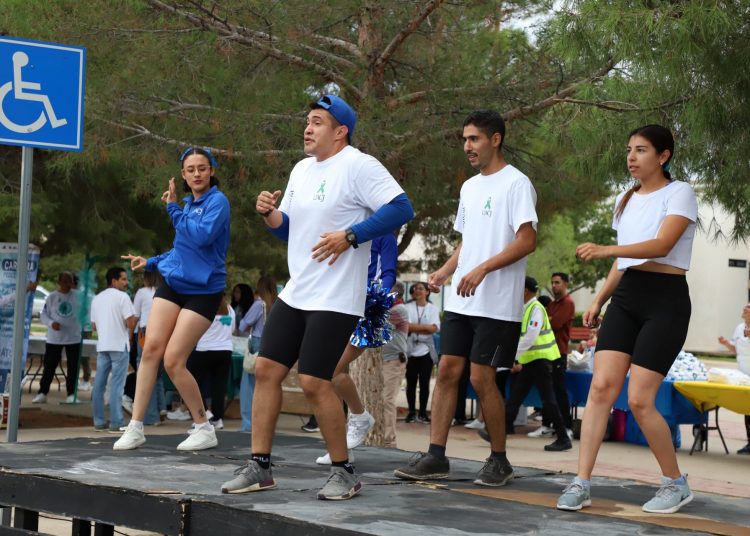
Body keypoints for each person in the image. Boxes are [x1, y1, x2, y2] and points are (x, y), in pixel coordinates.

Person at [220, 94, 413, 500]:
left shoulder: (359, 165)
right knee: (266, 370)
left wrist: (352, 235)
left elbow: (401, 208)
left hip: (336, 296)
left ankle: (344, 472)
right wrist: (269, 213)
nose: (307, 128)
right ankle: (260, 466)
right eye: (307, 121)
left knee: (313, 380)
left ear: (340, 131)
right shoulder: (302, 169)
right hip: (298, 291)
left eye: (318, 122)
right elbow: (288, 229)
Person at [556, 125, 698, 514]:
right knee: (600, 388)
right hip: (626, 297)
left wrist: (605, 249)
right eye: (629, 150)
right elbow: (623, 261)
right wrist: (599, 298)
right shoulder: (626, 199)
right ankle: (581, 482)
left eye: (641, 150)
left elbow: (661, 245)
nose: (631, 157)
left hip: (666, 300)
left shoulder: (680, 192)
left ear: (663, 156)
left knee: (639, 399)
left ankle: (675, 483)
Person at [394, 110, 537, 487]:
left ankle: (499, 460)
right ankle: (436, 456)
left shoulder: (517, 184)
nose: (467, 146)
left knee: (481, 377)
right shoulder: (470, 188)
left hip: (497, 305)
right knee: (447, 372)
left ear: (495, 139)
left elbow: (527, 241)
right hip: (460, 301)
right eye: (464, 140)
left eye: (474, 139)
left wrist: (483, 269)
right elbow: (468, 242)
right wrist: (446, 270)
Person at [115, 146, 230, 452]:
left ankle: (204, 427)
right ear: (183, 175)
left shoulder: (218, 202)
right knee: (151, 349)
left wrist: (173, 208)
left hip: (204, 290)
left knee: (174, 360)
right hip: (175, 284)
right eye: (191, 170)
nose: (197, 174)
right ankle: (136, 427)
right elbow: (181, 249)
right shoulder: (188, 206)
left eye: (202, 168)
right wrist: (151, 262)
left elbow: (202, 237)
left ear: (211, 171)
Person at [315, 233, 398, 464]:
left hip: (365, 309)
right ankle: (342, 447)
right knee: (326, 376)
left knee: (330, 372)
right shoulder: (345, 232)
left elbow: (388, 273)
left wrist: (376, 300)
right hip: (340, 304)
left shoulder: (385, 236)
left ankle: (359, 417)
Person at [492, 277, 571, 451]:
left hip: (541, 360)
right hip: (531, 360)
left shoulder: (535, 308)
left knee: (548, 400)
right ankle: (500, 432)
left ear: (525, 290)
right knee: (515, 397)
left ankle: (563, 438)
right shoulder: (527, 308)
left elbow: (530, 337)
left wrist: (511, 356)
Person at [90, 267, 137, 432]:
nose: (126, 282)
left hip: (103, 346)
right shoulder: (123, 297)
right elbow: (131, 322)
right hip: (119, 345)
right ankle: (116, 422)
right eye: (123, 279)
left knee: (99, 385)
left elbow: (94, 325)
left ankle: (98, 421)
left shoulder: (97, 298)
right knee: (117, 385)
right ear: (114, 281)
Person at [535, 272, 575, 438]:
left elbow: (555, 324)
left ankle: (567, 426)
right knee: (547, 390)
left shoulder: (568, 303)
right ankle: (546, 424)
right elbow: (544, 322)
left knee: (559, 390)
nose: (554, 285)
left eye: (557, 282)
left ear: (565, 284)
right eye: (552, 282)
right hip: (547, 352)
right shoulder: (552, 304)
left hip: (559, 352)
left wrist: (548, 320)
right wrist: (548, 320)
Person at [33, 271, 81, 404]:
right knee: (49, 366)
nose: (68, 284)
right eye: (65, 281)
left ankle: (71, 394)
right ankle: (42, 393)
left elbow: (88, 308)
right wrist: (51, 323)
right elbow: (43, 314)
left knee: (73, 367)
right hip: (54, 338)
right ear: (59, 282)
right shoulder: (52, 297)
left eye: (70, 281)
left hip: (73, 337)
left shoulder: (78, 296)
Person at [238, 275, 278, 433]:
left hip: (257, 343)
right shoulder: (278, 304)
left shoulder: (258, 305)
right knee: (268, 386)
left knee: (248, 387)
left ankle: (248, 424)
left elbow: (243, 325)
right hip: (273, 343)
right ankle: (266, 423)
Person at [187, 296, 234, 429]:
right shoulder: (230, 309)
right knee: (219, 386)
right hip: (225, 349)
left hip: (205, 348)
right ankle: (218, 418)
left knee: (192, 382)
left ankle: (204, 412)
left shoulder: (205, 307)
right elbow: (232, 329)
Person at [404, 282, 440, 423]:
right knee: (411, 383)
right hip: (410, 351)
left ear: (427, 292)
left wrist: (415, 327)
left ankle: (423, 413)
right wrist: (424, 328)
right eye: (415, 289)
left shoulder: (432, 309)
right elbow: (406, 326)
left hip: (426, 351)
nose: (417, 291)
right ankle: (411, 412)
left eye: (420, 288)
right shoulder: (407, 307)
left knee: (425, 383)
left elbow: (433, 328)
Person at [717, 303, 750, 455]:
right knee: (747, 409)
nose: (744, 308)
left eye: (748, 307)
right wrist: (726, 344)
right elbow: (736, 349)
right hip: (743, 376)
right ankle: (749, 442)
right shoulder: (739, 328)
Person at [380, 281, 409, 448]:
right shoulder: (392, 308)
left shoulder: (398, 309)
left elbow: (377, 321)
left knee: (387, 400)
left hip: (393, 361)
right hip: (386, 360)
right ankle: (382, 437)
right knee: (383, 399)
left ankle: (389, 441)